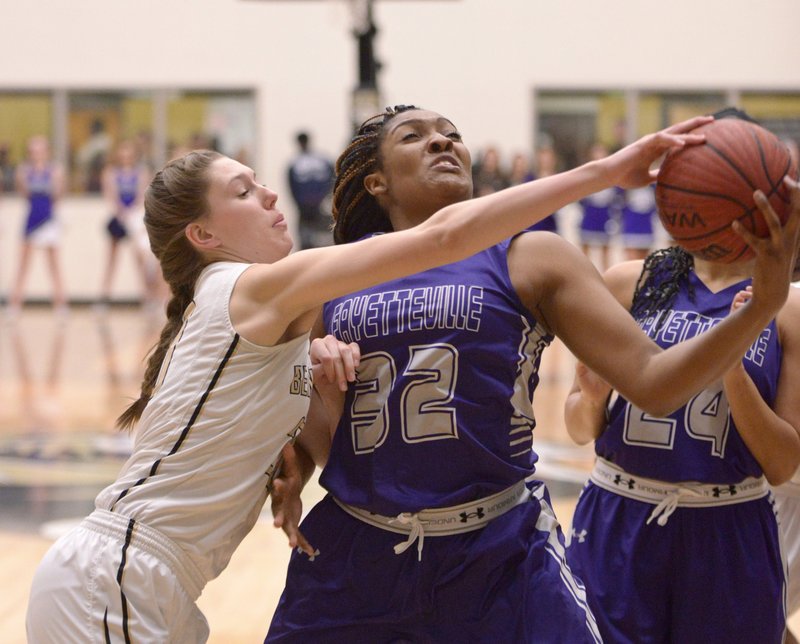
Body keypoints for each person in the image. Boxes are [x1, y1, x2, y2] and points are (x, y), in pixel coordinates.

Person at [23, 105, 690, 641]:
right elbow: (441, 239)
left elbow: (270, 397)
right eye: (244, 191)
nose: (270, 191)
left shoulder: (265, 312)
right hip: (119, 577)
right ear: (204, 234)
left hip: (159, 584)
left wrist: (300, 436)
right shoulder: (250, 288)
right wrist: (605, 169)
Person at [265, 106, 800, 643]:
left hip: (499, 550)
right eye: (415, 137)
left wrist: (760, 310)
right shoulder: (330, 275)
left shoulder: (532, 257)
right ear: (375, 181)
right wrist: (297, 461)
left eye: (453, 134)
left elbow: (655, 381)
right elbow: (321, 428)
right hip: (360, 545)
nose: (442, 142)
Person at [562, 196, 800, 640]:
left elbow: (783, 463)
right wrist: (592, 400)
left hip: (728, 524)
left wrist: (730, 362)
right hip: (618, 516)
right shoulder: (627, 282)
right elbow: (577, 427)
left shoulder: (785, 309)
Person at [7, 135, 67, 317]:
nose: (37, 154)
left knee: (54, 264)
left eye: (40, 150)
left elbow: (58, 195)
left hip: (49, 219)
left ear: (47, 151)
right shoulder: (23, 171)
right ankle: (14, 305)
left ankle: (60, 306)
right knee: (23, 264)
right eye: (33, 151)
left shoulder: (55, 170)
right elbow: (24, 194)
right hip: (31, 219)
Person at [98, 139, 157, 307]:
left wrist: (132, 215)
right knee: (111, 260)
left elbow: (142, 195)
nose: (125, 156)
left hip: (135, 219)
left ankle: (147, 298)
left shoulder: (141, 172)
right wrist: (121, 213)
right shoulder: (110, 172)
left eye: (129, 152)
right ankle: (105, 297)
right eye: (122, 152)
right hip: (118, 219)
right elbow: (111, 195)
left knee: (140, 259)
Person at [287, 131, 335, 249]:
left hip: (309, 205)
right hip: (313, 204)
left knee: (314, 238)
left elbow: (291, 185)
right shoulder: (323, 160)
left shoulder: (296, 162)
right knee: (316, 237)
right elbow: (333, 178)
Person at [578, 141, 622, 272]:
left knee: (605, 253)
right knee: (585, 253)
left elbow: (618, 196)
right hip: (589, 215)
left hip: (604, 216)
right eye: (597, 152)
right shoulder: (585, 174)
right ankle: (583, 277)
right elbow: (579, 197)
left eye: (602, 152)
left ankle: (606, 279)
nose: (599, 155)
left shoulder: (613, 176)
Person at [620, 184, 658, 260]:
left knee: (644, 260)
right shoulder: (626, 186)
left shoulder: (654, 187)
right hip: (631, 225)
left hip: (647, 227)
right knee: (631, 259)